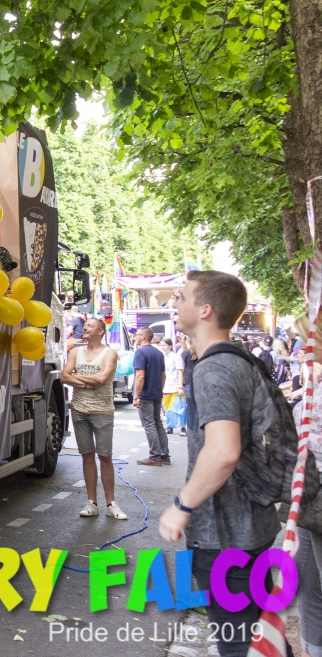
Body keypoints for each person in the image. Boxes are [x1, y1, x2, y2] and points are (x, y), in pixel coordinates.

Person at [159, 271, 282, 657]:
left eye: (182, 297)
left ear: (205, 310)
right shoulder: (239, 359)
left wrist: (182, 506)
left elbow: (223, 451)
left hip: (225, 534)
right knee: (263, 636)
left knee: (238, 643)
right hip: (252, 525)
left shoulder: (214, 368)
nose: (175, 303)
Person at [60, 317, 127, 520]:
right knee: (87, 455)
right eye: (85, 325)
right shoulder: (75, 352)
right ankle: (92, 502)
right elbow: (63, 377)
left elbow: (102, 379)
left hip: (103, 410)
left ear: (100, 331)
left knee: (105, 456)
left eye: (90, 326)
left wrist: (77, 377)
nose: (85, 328)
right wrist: (88, 384)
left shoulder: (109, 353)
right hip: (79, 409)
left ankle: (111, 503)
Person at [133, 327, 169, 465]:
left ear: (143, 337)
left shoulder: (140, 352)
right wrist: (160, 389)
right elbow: (163, 375)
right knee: (158, 423)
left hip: (145, 393)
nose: (135, 337)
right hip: (156, 392)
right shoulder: (159, 353)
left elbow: (140, 375)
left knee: (149, 424)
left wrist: (136, 395)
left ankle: (154, 456)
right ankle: (164, 455)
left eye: (136, 335)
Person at [159, 337, 185, 436]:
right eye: (161, 345)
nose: (162, 347)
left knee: (179, 408)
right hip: (165, 385)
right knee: (167, 408)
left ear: (170, 346)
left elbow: (180, 372)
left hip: (175, 385)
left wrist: (180, 386)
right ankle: (170, 427)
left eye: (164, 345)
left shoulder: (176, 357)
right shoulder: (162, 357)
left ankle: (182, 427)